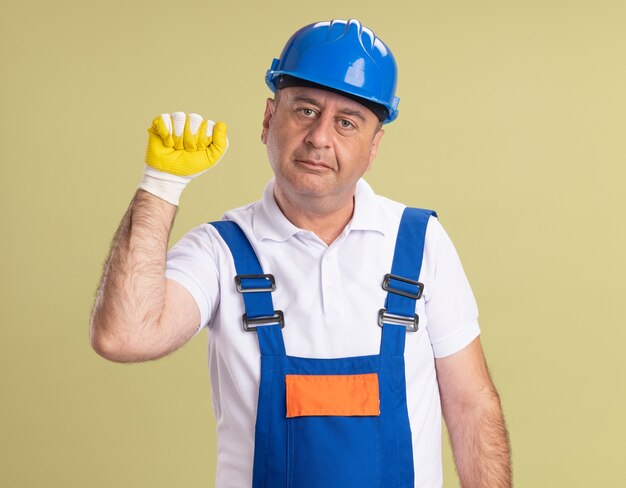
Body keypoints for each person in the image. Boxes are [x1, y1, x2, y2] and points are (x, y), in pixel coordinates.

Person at [90, 18, 511, 488]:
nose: (320, 138)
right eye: (306, 111)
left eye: (347, 122)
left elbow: (472, 405)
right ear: (269, 119)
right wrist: (161, 185)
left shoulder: (419, 243)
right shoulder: (222, 249)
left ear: (374, 146)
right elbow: (123, 337)